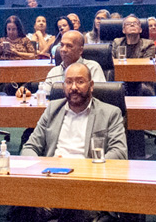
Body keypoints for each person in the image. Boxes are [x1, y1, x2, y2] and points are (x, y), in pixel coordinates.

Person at [11, 63, 127, 222]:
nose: (73, 87)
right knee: (20, 207)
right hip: (51, 181)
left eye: (80, 82)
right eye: (68, 82)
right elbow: (30, 147)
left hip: (86, 185)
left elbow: (119, 153)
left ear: (91, 85)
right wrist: (42, 165)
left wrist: (83, 167)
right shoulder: (52, 109)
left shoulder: (110, 113)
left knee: (74, 209)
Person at [16, 30, 105, 99]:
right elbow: (44, 94)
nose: (63, 50)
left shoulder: (93, 67)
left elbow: (100, 96)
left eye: (69, 46)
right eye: (62, 45)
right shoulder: (55, 71)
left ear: (80, 50)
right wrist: (28, 94)